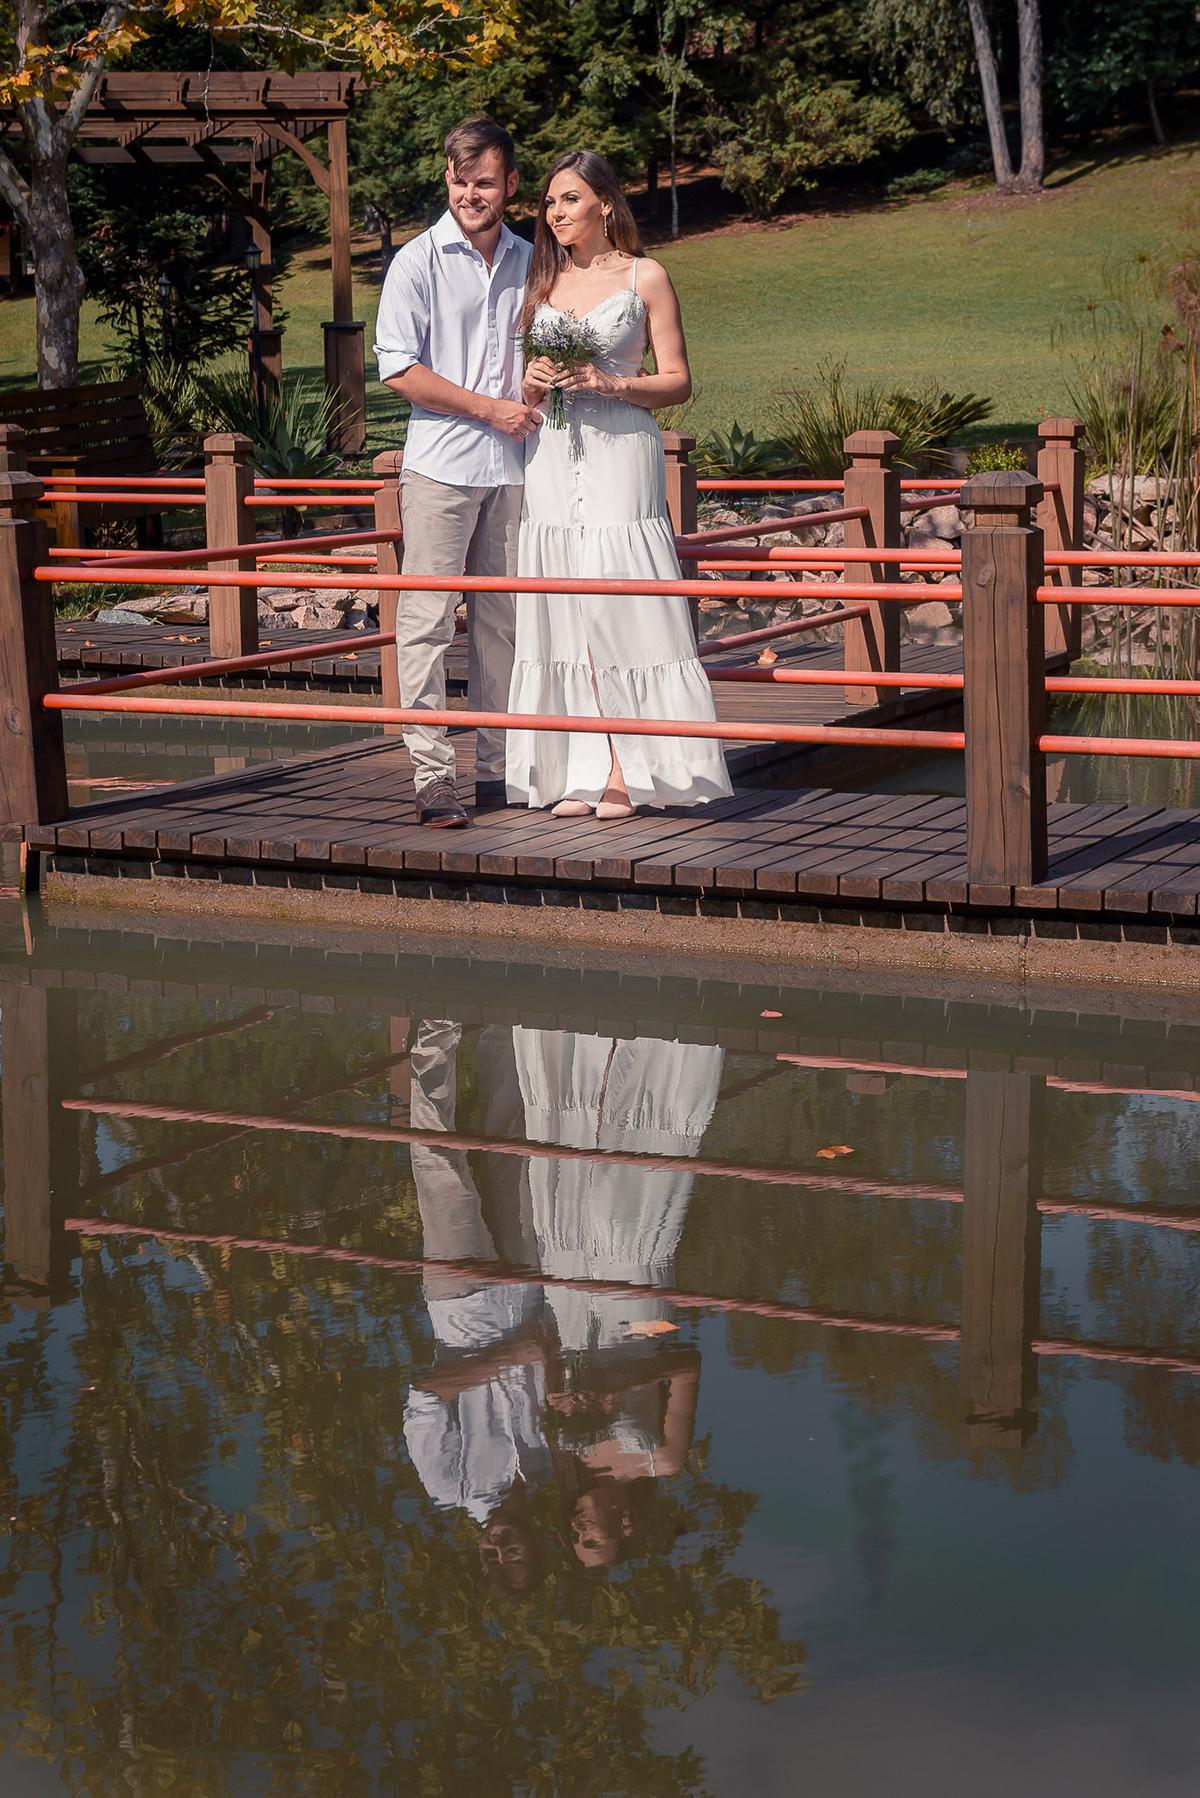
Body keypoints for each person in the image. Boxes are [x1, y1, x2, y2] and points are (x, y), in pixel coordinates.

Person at [506, 151, 732, 819]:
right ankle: (579, 765)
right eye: (549, 204)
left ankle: (628, 770)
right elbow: (522, 387)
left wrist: (614, 384)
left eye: (569, 200)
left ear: (605, 203)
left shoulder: (647, 276)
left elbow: (680, 380)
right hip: (550, 457)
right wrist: (533, 382)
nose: (556, 213)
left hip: (620, 452)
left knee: (618, 602)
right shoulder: (539, 282)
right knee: (566, 607)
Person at [374, 117, 539, 828]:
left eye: (484, 182)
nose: (470, 194)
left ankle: (499, 771)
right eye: (459, 180)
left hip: (517, 468)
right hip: (441, 466)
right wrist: (491, 410)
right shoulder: (416, 262)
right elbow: (399, 370)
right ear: (447, 178)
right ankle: (432, 778)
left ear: (510, 185)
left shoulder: (535, 260)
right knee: (428, 622)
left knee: (503, 624)